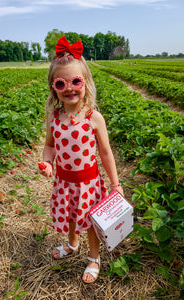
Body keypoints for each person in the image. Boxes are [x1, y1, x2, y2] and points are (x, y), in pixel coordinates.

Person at [39, 36, 124, 284]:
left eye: (75, 81)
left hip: (88, 182)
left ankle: (94, 257)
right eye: (61, 83)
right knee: (73, 217)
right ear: (53, 87)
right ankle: (72, 244)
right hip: (65, 182)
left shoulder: (93, 118)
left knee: (91, 223)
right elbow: (49, 146)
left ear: (85, 83)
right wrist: (47, 162)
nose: (69, 88)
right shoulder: (54, 117)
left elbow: (106, 153)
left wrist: (115, 184)